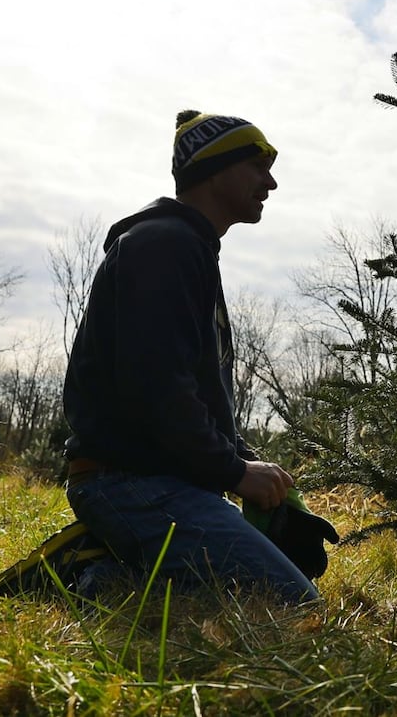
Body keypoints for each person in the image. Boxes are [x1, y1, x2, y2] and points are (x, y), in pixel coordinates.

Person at [61, 109, 319, 604]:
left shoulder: (189, 249)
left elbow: (190, 392)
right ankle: (92, 576)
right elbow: (156, 389)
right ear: (215, 169)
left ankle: (117, 565)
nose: (272, 182)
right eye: (258, 165)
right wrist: (235, 473)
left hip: (162, 482)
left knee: (275, 593)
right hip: (131, 485)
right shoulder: (164, 246)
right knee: (290, 605)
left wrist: (246, 460)